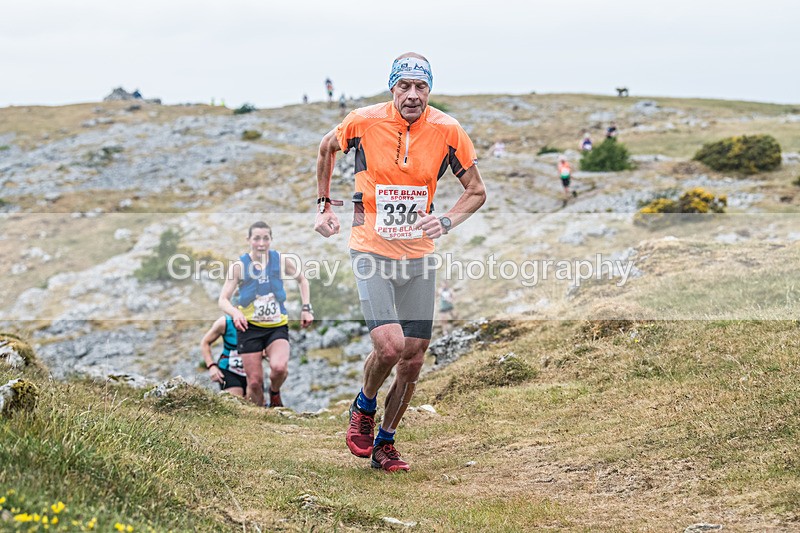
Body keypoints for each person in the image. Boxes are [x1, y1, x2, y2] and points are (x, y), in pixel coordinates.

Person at [314, 52, 487, 472]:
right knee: (389, 347)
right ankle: (364, 406)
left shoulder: (448, 130)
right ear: (392, 87)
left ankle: (386, 443)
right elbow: (325, 149)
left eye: (421, 86)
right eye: (404, 86)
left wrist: (445, 220)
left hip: (419, 257)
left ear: (430, 88)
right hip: (371, 247)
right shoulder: (362, 120)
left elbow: (477, 192)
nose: (413, 95)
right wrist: (324, 204)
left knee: (413, 356)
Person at [219, 221, 314, 407]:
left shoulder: (280, 260)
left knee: (279, 368)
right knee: (254, 382)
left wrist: (306, 307)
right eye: (256, 238)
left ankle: (275, 393)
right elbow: (223, 299)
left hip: (276, 326)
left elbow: (303, 279)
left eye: (265, 238)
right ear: (248, 240)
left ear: (271, 240)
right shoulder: (239, 266)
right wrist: (235, 313)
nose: (261, 243)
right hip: (249, 328)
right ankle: (261, 416)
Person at [200, 315, 248, 397]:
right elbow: (205, 342)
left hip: (253, 371)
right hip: (229, 370)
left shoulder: (260, 321)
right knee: (237, 403)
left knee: (256, 405)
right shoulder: (224, 322)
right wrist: (211, 366)